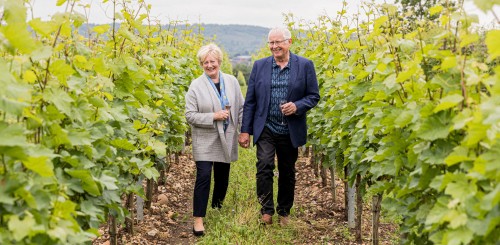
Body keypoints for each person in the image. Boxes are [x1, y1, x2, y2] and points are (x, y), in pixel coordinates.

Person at [238, 27, 320, 226]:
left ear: (289, 42)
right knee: (264, 166)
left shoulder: (305, 65)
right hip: (266, 126)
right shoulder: (260, 66)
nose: (274, 47)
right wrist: (245, 130)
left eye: (278, 42)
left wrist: (297, 106)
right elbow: (250, 101)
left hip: (290, 129)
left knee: (287, 171)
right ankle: (266, 210)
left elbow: (313, 96)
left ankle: (284, 211)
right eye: (271, 43)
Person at [185, 43, 244, 236]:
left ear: (219, 62)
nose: (209, 65)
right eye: (205, 62)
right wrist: (213, 116)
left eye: (213, 61)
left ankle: (217, 206)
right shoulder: (196, 85)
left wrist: (243, 132)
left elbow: (241, 108)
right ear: (201, 64)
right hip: (204, 137)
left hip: (226, 136)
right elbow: (190, 115)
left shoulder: (232, 81)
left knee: (222, 176)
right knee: (203, 176)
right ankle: (198, 219)